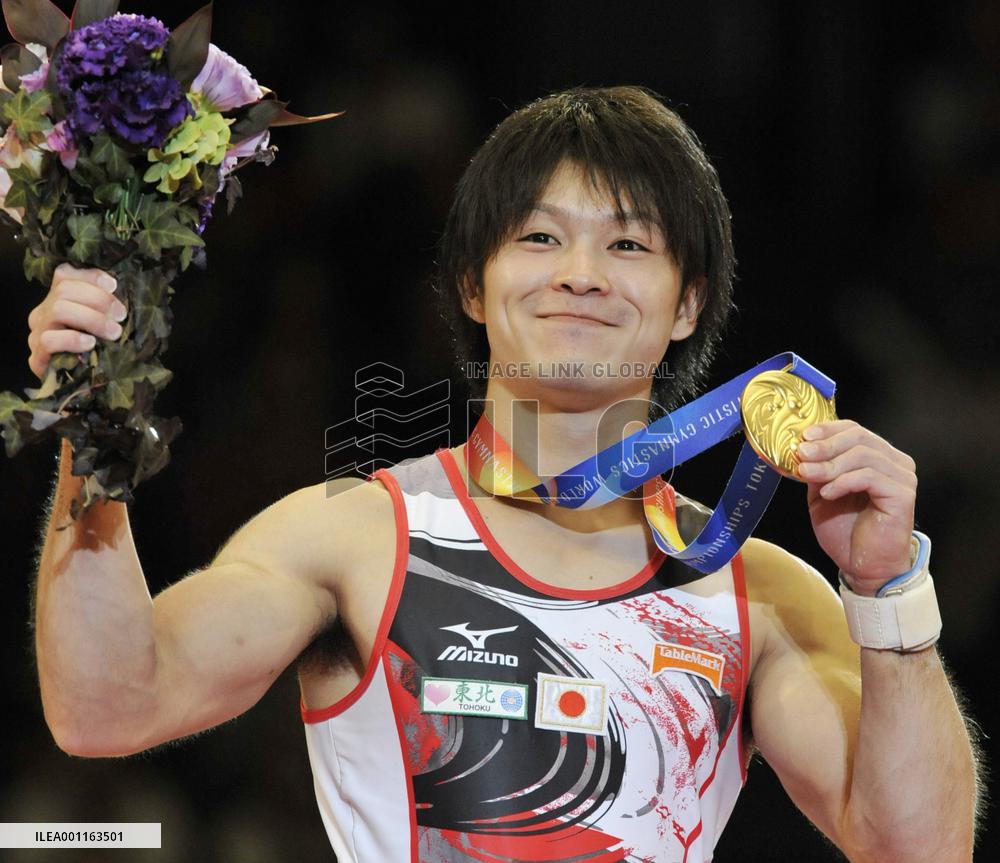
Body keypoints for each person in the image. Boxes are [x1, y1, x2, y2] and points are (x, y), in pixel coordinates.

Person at [27, 87, 979, 862]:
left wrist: (888, 593)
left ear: (688, 303)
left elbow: (920, 850)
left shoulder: (753, 592)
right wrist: (93, 430)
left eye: (630, 244)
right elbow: (108, 705)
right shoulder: (358, 538)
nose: (581, 273)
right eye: (538, 236)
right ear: (473, 288)